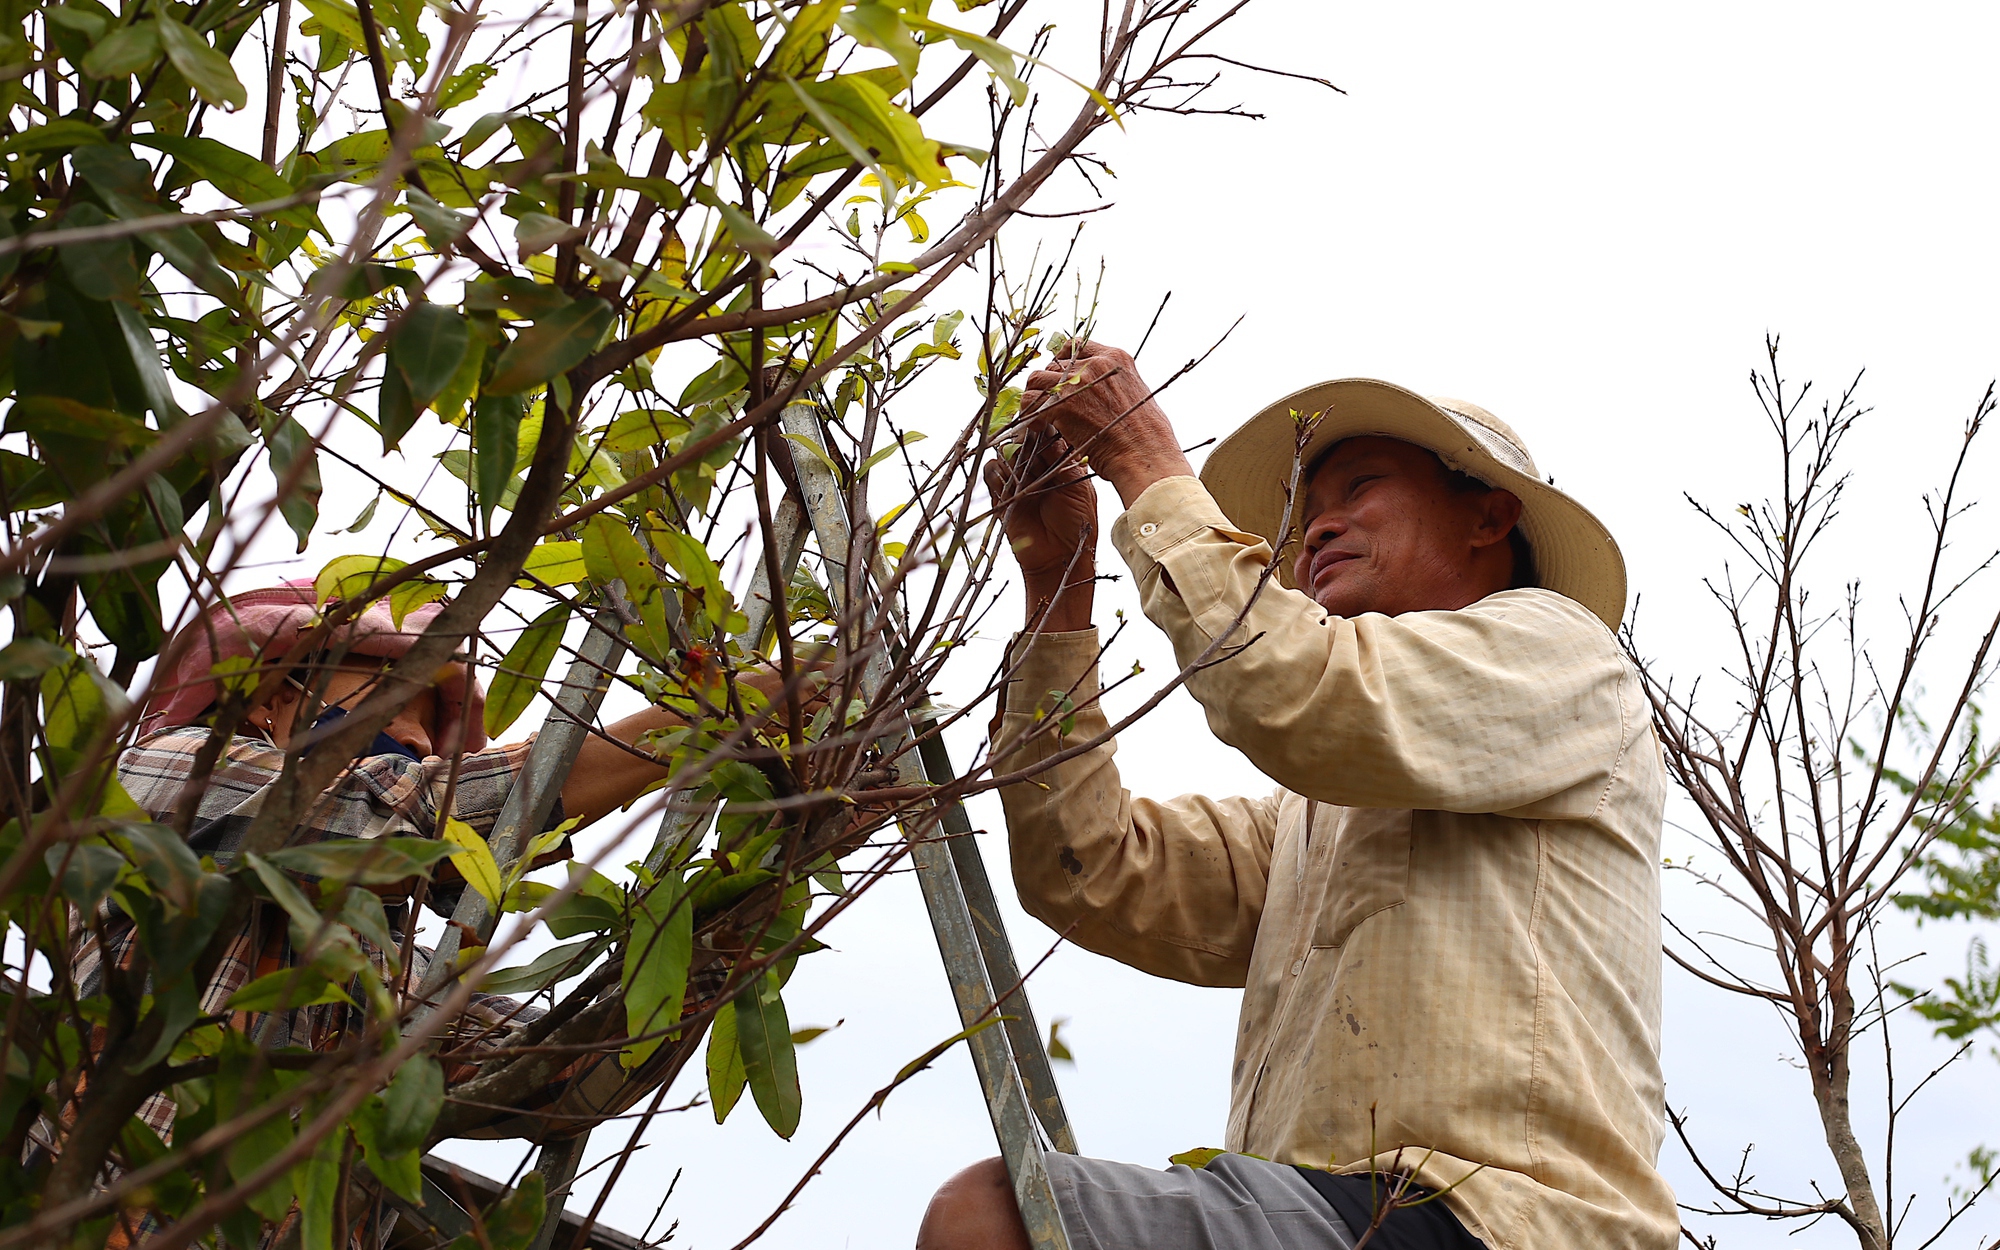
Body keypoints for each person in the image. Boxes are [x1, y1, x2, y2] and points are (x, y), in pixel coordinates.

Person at [920, 344, 1673, 1250]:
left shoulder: (1564, 656)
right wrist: (1059, 593)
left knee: (989, 1220)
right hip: (1346, 1215)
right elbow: (1093, 871)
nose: (1317, 529)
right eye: (1310, 511)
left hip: (1497, 1225)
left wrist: (1145, 463)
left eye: (1359, 487)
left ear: (1489, 518)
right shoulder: (1319, 814)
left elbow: (1298, 690)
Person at [68, 580, 735, 1160]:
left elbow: (562, 1076)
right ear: (265, 699)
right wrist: (715, 717)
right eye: (393, 697)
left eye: (426, 722)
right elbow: (396, 823)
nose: (417, 739)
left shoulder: (389, 970)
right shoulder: (167, 773)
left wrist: (737, 905)